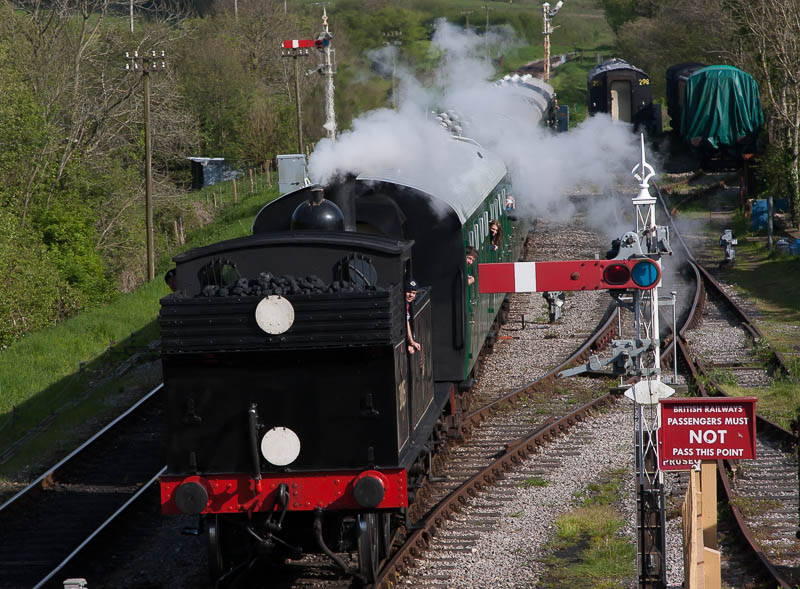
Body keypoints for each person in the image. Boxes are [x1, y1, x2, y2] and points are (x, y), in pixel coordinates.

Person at [405, 279, 421, 355]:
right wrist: (411, 342)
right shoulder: (402, 303)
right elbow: (405, 322)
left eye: (413, 293)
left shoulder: (407, 304)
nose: (411, 295)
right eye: (408, 292)